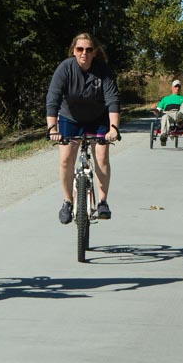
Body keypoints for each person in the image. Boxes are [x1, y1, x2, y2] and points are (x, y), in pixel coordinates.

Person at [45, 32, 121, 224]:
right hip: (70, 118)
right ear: (74, 51)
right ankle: (67, 202)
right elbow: (53, 99)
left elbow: (112, 100)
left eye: (88, 49)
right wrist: (52, 129)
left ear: (94, 52)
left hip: (98, 118)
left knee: (102, 157)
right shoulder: (65, 69)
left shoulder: (103, 71)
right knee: (65, 160)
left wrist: (114, 129)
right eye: (80, 49)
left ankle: (103, 202)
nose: (84, 53)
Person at [154, 79, 183, 145]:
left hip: (181, 113)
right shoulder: (165, 98)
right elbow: (158, 109)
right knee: (165, 116)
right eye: (176, 86)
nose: (177, 88)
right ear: (172, 88)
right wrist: (155, 110)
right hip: (169, 114)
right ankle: (163, 135)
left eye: (179, 87)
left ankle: (180, 121)